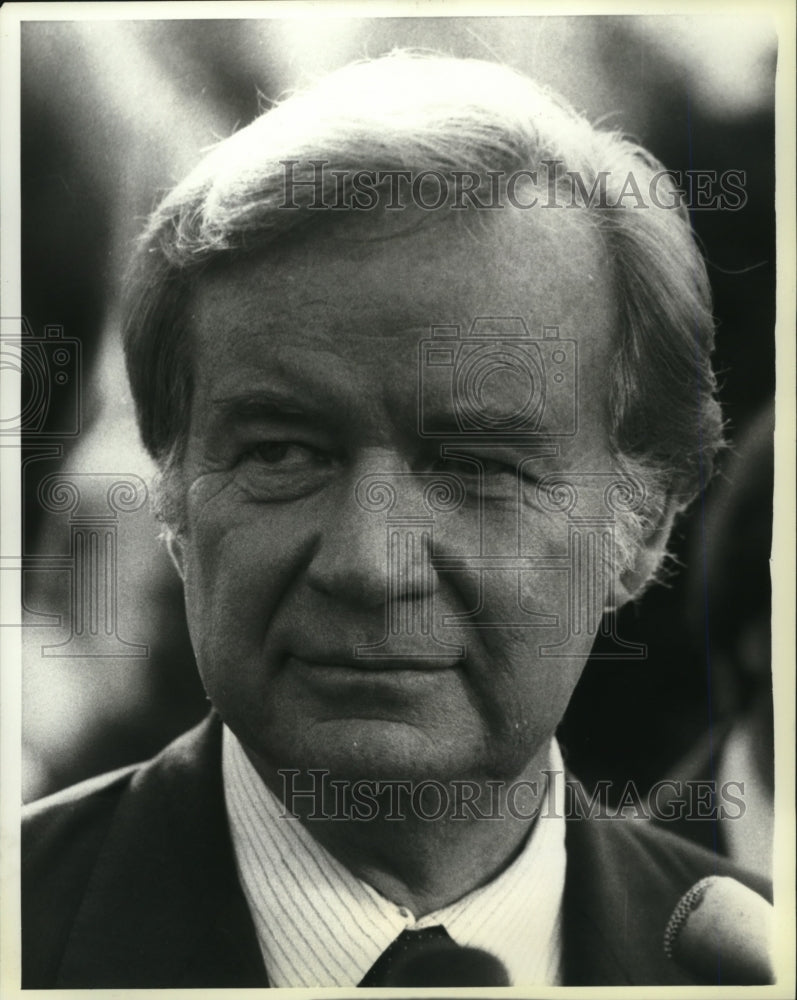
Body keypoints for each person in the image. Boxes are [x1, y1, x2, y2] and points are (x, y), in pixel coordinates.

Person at [21, 53, 771, 987]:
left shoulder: (742, 964)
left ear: (646, 521)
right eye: (283, 453)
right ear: (172, 490)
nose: (370, 564)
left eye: (476, 467)